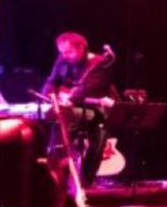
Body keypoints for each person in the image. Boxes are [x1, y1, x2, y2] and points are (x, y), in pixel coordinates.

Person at [40, 31, 116, 190]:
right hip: (70, 107)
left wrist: (69, 98)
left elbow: (90, 90)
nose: (64, 56)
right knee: (56, 115)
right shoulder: (62, 59)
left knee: (97, 136)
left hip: (95, 108)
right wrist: (48, 97)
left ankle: (84, 182)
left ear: (82, 48)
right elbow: (51, 81)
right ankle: (54, 173)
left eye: (68, 52)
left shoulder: (98, 63)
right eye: (62, 52)